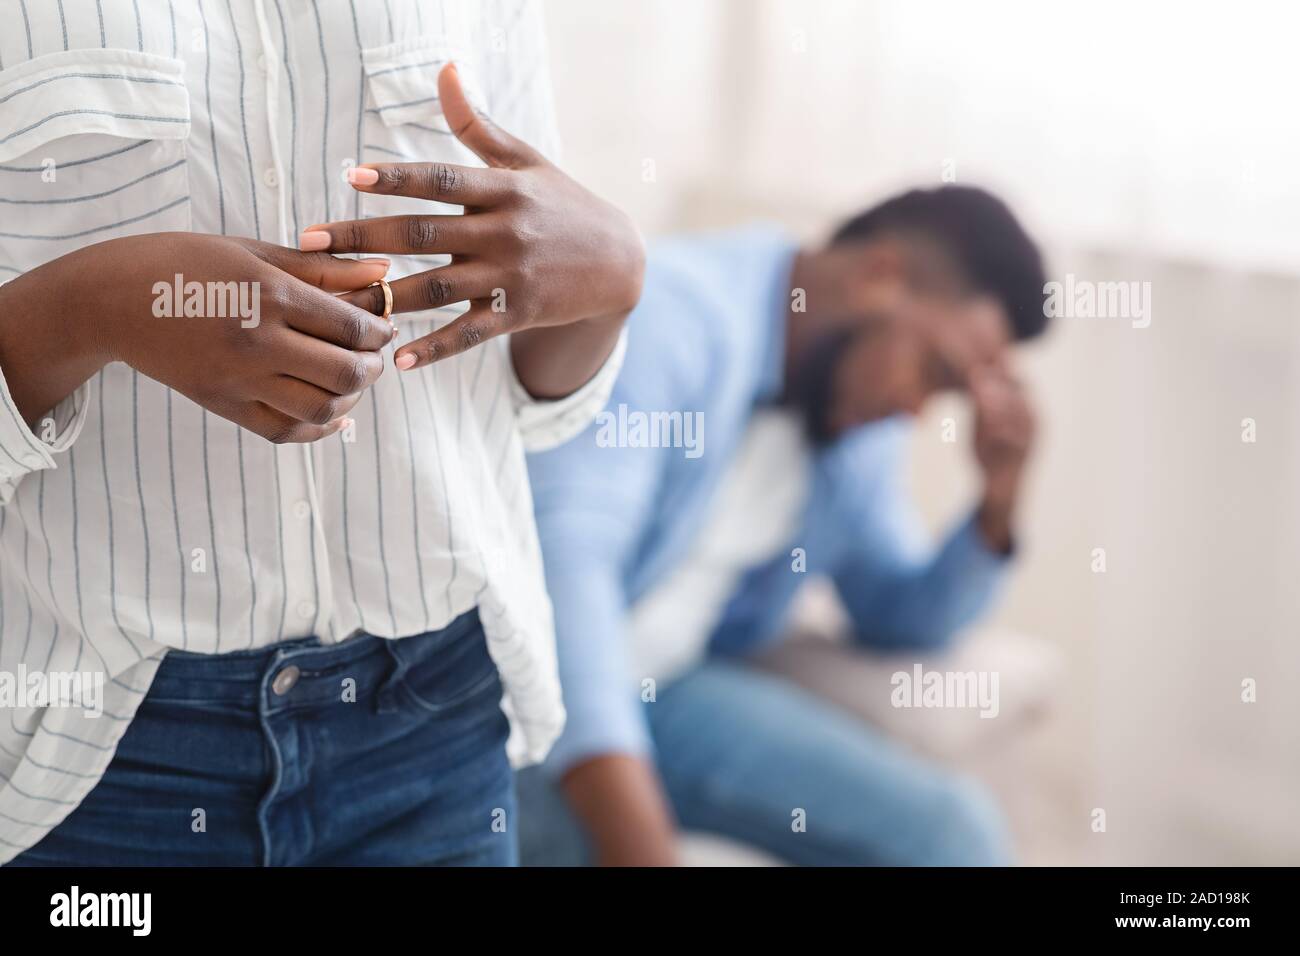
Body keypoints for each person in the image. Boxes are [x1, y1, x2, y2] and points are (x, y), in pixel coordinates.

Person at [0, 0, 642, 865]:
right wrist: (99, 306)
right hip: (102, 762)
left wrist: (613, 277)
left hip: (436, 728)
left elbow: (534, 379)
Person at [517, 185, 1048, 866]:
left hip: (670, 690)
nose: (917, 412)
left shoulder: (853, 419)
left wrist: (998, 503)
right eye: (933, 373)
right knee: (565, 842)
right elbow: (568, 572)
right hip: (526, 694)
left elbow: (892, 611)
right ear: (878, 275)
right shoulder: (674, 313)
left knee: (955, 835)